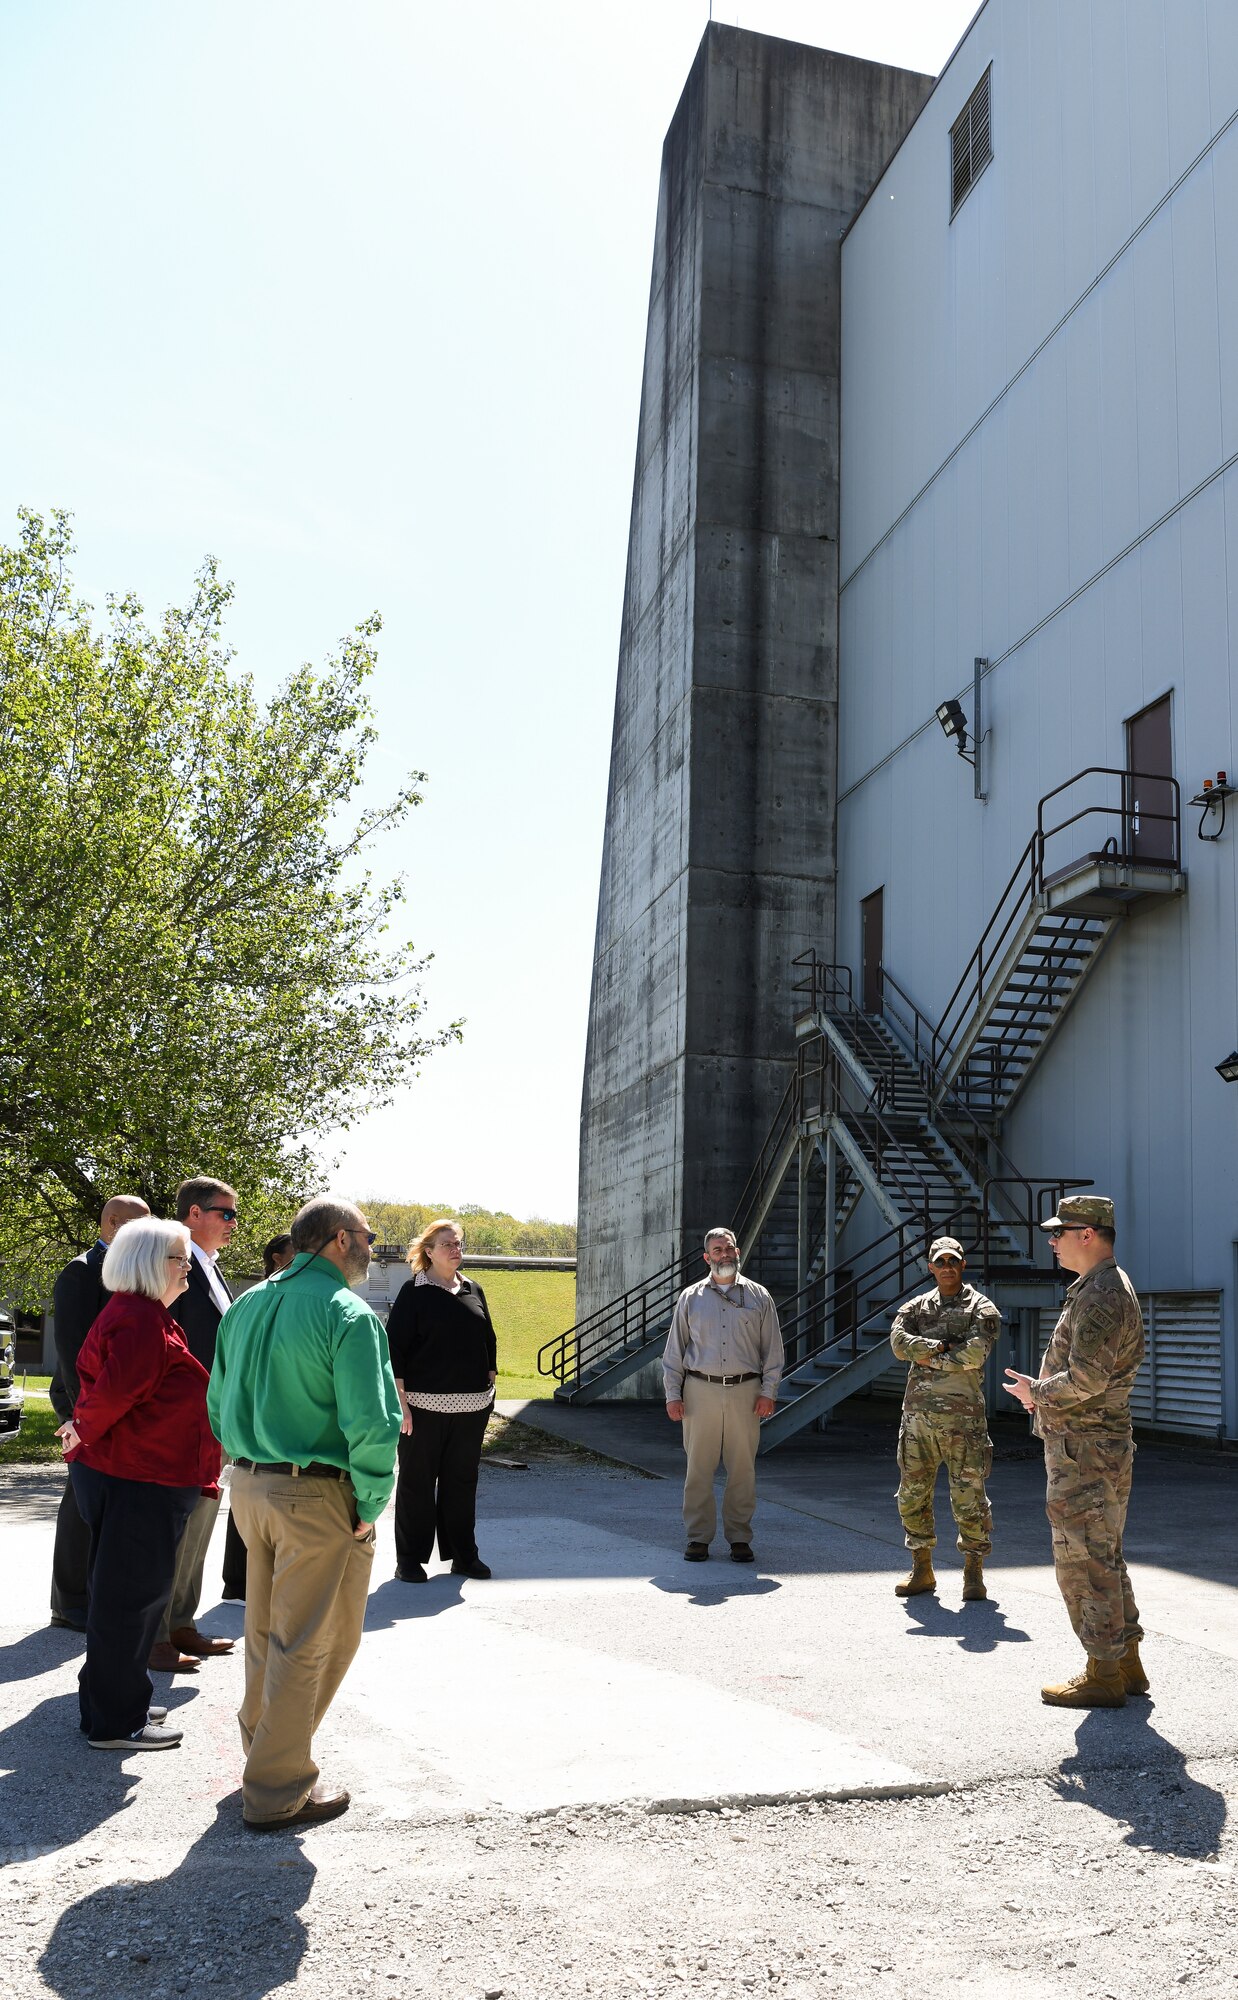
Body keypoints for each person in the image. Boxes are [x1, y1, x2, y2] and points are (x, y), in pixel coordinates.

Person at [207, 1196, 402, 1831]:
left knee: (266, 1633)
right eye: (368, 1236)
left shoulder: (246, 1304)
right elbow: (372, 1423)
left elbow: (217, 1404)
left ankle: (264, 1751)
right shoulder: (348, 1312)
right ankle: (276, 1788)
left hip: (252, 1488)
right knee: (315, 1640)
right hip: (317, 1494)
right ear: (340, 1240)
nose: (373, 1247)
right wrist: (372, 1501)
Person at [55, 1216, 220, 1751]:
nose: (189, 1268)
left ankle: (112, 1704)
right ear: (152, 1264)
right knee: (132, 1601)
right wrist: (79, 1432)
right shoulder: (141, 1320)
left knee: (124, 1599)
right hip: (138, 1476)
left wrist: (82, 1431)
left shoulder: (144, 1315)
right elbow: (115, 1392)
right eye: (180, 1259)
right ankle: (116, 1721)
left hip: (137, 1474)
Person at [1004, 1194, 1146, 1708]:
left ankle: (1103, 1673)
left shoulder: (1103, 1293)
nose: (1053, 1240)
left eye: (1060, 1232)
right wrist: (1040, 1393)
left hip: (1085, 1449)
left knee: (1083, 1560)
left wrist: (1035, 1393)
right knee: (1104, 1553)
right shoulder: (1097, 1287)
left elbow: (1086, 1379)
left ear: (1088, 1235)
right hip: (1091, 1443)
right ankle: (1125, 1664)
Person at [48, 1194, 150, 1631]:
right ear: (111, 1222)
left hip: (113, 1403)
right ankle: (70, 1602)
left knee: (102, 1500)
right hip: (84, 1403)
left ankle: (94, 1593)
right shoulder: (82, 1271)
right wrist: (80, 1419)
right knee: (81, 1499)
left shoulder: (131, 1270)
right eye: (137, 1225)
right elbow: (71, 1353)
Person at [151, 1176, 242, 1667]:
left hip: (215, 1420)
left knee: (201, 1524)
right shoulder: (175, 1267)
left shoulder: (210, 1269)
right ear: (193, 1214)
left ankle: (181, 1624)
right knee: (175, 1526)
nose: (233, 1223)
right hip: (185, 1419)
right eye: (224, 1214)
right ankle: (155, 1635)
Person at [384, 1218, 498, 1583]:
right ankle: (410, 1560)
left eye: (458, 1242)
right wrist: (400, 1402)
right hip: (422, 1407)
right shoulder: (413, 1291)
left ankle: (464, 1555)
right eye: (447, 1243)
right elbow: (395, 1350)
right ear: (428, 1252)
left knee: (462, 1482)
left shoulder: (472, 1288)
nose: (455, 1249)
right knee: (417, 1483)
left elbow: (488, 1338)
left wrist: (491, 1378)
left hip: (472, 1408)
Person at [888, 1236, 1001, 1601]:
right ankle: (922, 1568)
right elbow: (897, 1344)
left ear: (963, 1265)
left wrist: (925, 1358)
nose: (948, 1267)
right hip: (917, 1417)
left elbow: (973, 1355)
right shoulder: (916, 1307)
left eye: (954, 1261)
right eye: (941, 1262)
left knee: (968, 1497)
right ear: (931, 1266)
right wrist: (940, 1346)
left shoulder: (982, 1309)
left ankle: (973, 1572)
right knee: (912, 1494)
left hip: (963, 1420)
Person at [663, 1226, 783, 1563]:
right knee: (698, 1468)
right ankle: (698, 1538)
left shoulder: (759, 1297)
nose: (724, 1254)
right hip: (700, 1390)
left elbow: (773, 1351)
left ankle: (740, 1538)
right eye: (717, 1250)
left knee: (742, 1469)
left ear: (738, 1252)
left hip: (746, 1391)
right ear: (706, 1257)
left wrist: (768, 1391)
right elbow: (674, 1352)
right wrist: (673, 1394)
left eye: (728, 1248)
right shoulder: (690, 1298)